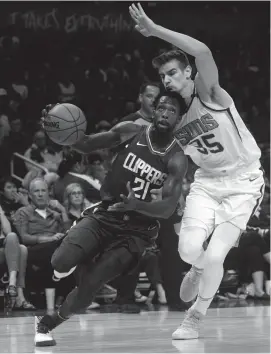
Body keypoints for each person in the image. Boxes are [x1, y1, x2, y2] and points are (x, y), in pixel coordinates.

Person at [129, 3, 265, 340]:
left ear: (188, 72)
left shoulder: (210, 92)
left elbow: (202, 50)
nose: (167, 79)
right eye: (163, 76)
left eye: (173, 72)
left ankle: (195, 316)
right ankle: (197, 266)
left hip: (243, 181)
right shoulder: (170, 118)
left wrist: (154, 29)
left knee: (217, 253)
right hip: (206, 182)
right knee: (189, 250)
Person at [34, 91, 188, 347]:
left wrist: (136, 203)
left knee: (90, 286)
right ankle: (76, 258)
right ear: (154, 109)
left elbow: (168, 209)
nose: (165, 114)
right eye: (162, 108)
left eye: (172, 111)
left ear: (179, 119)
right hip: (107, 212)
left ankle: (46, 324)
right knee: (59, 261)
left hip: (137, 231)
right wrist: (58, 128)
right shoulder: (131, 130)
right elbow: (85, 144)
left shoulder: (176, 157)